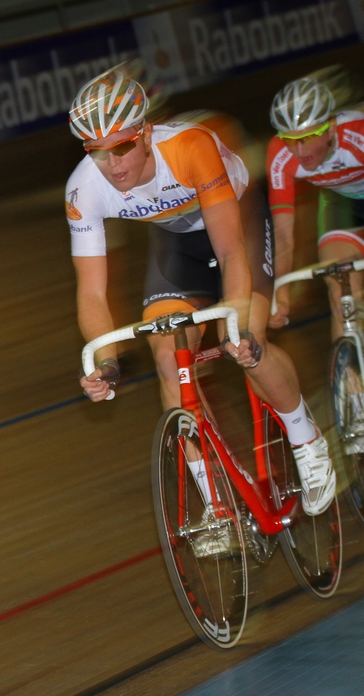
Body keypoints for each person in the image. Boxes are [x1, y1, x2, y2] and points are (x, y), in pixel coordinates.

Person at [69, 67, 336, 532]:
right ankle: (215, 507)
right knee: (171, 360)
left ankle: (305, 438)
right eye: (97, 152)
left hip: (237, 227)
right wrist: (105, 361)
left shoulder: (191, 147)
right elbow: (91, 290)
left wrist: (238, 323)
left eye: (123, 147)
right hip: (177, 249)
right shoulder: (82, 189)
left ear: (146, 133)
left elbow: (232, 249)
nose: (113, 165)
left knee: (246, 343)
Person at [267, 75, 364, 342]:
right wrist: (280, 289)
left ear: (331, 127)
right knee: (341, 293)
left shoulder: (358, 133)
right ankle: (350, 380)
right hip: (340, 205)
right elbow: (284, 236)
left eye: (309, 137)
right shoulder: (279, 154)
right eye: (289, 139)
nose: (300, 150)